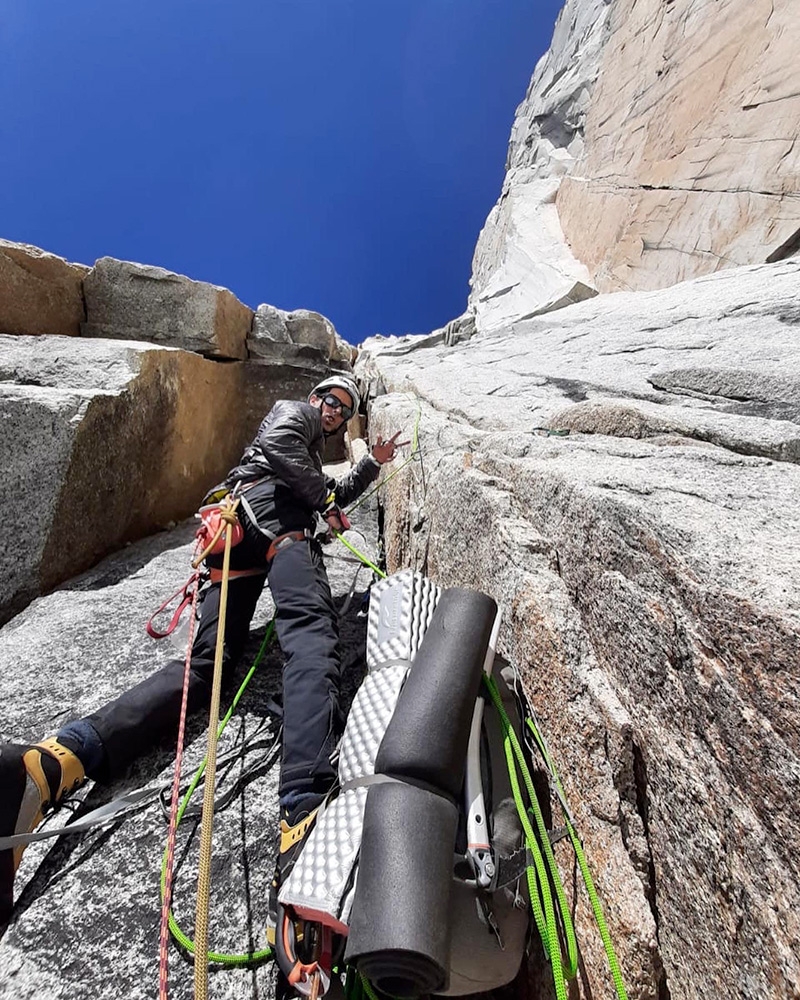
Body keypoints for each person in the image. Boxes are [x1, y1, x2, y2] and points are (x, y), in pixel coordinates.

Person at [0, 373, 406, 928]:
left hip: (234, 535)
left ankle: (51, 763)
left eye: (345, 408)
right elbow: (283, 450)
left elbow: (317, 485)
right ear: (316, 399)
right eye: (331, 400)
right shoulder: (297, 414)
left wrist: (368, 465)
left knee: (207, 665)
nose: (335, 411)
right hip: (275, 526)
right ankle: (304, 811)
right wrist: (327, 498)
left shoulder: (313, 450)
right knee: (312, 633)